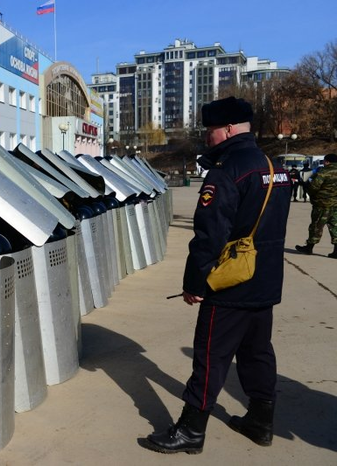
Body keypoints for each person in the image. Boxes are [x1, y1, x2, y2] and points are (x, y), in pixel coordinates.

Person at [143, 97, 291, 454]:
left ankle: (191, 430)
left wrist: (195, 283)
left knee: (211, 356)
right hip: (265, 279)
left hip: (230, 283)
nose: (207, 137)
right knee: (257, 352)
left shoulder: (227, 171)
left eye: (210, 130)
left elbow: (209, 236)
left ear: (227, 129)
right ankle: (260, 421)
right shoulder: (276, 167)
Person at [295, 153, 337, 258]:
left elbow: (314, 187)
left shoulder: (323, 172)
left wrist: (308, 188)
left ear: (327, 161)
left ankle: (309, 248)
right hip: (335, 204)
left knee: (316, 226)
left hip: (322, 204)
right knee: (335, 226)